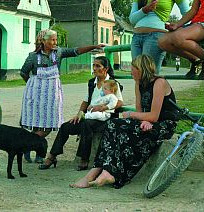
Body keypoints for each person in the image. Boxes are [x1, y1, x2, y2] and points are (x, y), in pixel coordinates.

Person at [70, 54, 179, 189]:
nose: (131, 72)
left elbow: (155, 115)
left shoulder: (159, 83)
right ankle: (97, 172)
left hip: (164, 124)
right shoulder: (139, 84)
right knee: (112, 124)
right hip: (148, 121)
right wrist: (143, 119)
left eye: (133, 69)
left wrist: (131, 114)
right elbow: (141, 111)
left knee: (123, 131)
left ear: (141, 69)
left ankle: (109, 173)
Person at [20, 29, 105, 163]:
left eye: (55, 39)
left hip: (53, 94)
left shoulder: (58, 52)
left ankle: (26, 145)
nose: (55, 42)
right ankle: (36, 151)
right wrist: (34, 86)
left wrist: (94, 47)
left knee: (49, 125)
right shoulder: (33, 57)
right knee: (36, 124)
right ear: (44, 41)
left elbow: (76, 51)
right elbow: (24, 72)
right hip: (36, 94)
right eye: (52, 40)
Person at [38, 56, 123, 170]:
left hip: (104, 119)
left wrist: (103, 107)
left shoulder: (113, 83)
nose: (95, 68)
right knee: (65, 127)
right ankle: (52, 156)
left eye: (98, 66)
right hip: (89, 116)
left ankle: (84, 158)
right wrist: (79, 114)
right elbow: (86, 101)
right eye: (94, 65)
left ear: (106, 69)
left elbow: (120, 102)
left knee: (86, 124)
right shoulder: (92, 82)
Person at [129, 0, 189, 73]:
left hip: (155, 36)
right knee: (137, 75)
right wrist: (145, 9)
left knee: (149, 75)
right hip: (136, 37)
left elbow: (187, 13)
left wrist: (177, 26)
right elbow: (132, 19)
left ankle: (162, 91)